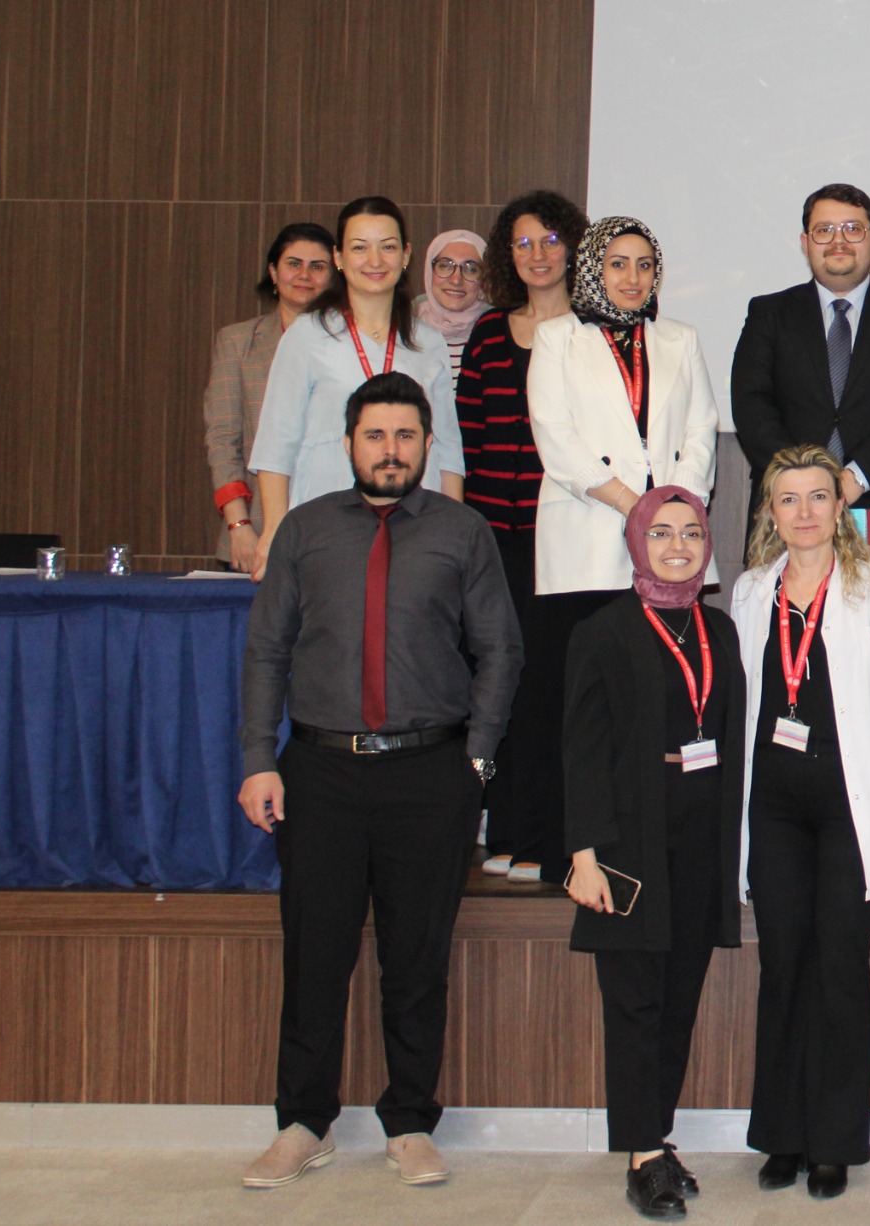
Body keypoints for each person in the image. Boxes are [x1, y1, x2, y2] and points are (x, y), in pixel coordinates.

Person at [233, 371, 522, 1191]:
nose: (390, 451)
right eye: (375, 436)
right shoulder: (304, 529)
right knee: (314, 955)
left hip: (431, 772)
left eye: (404, 436)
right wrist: (258, 759)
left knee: (416, 960)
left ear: (427, 444)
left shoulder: (463, 532)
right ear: (348, 444)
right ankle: (303, 1122)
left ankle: (411, 1122)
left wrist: (477, 762)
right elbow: (266, 651)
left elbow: (501, 649)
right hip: (319, 771)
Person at [729, 445, 870, 1201]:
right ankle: (782, 1135)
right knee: (783, 965)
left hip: (853, 804)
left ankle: (835, 1143)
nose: (805, 511)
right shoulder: (751, 591)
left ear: (840, 506)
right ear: (771, 512)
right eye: (789, 499)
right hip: (774, 805)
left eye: (819, 496)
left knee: (840, 968)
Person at [560, 488, 742, 1221]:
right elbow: (580, 750)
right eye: (661, 533)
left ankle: (655, 1138)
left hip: (701, 839)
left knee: (677, 1003)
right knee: (635, 1003)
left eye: (690, 532)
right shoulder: (603, 631)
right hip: (628, 842)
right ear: (636, 543)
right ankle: (641, 1154)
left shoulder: (719, 629)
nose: (677, 546)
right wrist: (583, 854)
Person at [520, 216, 720, 882]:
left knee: (661, 704)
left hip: (670, 551)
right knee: (582, 708)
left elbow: (700, 433)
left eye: (644, 265)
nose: (632, 278)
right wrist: (636, 507)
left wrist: (671, 516)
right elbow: (555, 437)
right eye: (617, 264)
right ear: (591, 270)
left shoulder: (680, 338)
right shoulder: (557, 338)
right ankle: (574, 850)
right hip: (586, 539)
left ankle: (649, 845)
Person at [731, 183, 870, 619]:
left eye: (853, 228)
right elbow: (751, 405)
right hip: (789, 515)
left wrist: (853, 478)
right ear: (805, 242)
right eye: (824, 230)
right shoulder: (769, 314)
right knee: (787, 645)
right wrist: (805, 486)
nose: (838, 241)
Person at [458, 189, 588, 875]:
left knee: (553, 687)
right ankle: (505, 829)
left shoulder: (594, 333)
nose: (538, 255)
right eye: (523, 243)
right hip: (494, 540)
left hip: (564, 540)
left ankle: (552, 838)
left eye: (551, 240)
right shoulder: (487, 335)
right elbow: (468, 436)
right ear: (507, 255)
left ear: (573, 248)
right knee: (499, 680)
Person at [250, 197, 465, 541]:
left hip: (414, 528)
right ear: (338, 257)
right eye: (360, 247)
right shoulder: (306, 336)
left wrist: (453, 534)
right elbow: (275, 446)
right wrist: (275, 533)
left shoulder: (428, 342)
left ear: (406, 255)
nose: (375, 260)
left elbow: (448, 451)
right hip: (324, 525)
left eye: (388, 247)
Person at [205, 221, 333, 571]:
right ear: (274, 272)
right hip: (256, 532)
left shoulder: (353, 344)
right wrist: (239, 525)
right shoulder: (237, 343)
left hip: (334, 532)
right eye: (293, 264)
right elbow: (223, 441)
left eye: (317, 266)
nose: (304, 275)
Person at [416, 229, 490, 384]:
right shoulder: (405, 329)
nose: (456, 280)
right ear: (430, 272)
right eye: (445, 266)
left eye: (471, 269)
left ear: (483, 279)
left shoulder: (497, 332)